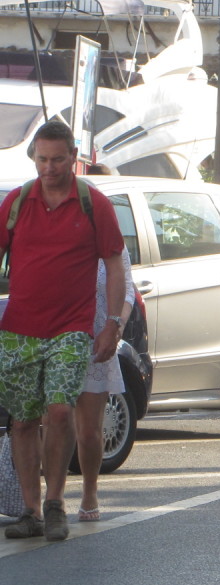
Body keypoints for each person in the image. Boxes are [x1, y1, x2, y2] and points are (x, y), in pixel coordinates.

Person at [0, 120, 126, 541]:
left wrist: (112, 324)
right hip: (19, 329)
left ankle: (55, 503)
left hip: (72, 327)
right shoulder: (17, 202)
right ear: (33, 157)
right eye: (42, 159)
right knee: (22, 421)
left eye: (57, 159)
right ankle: (30, 511)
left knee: (59, 410)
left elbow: (113, 263)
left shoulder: (94, 203)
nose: (49, 168)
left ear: (74, 157)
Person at [72, 246, 136, 522]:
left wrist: (116, 326)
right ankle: (51, 499)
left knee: (89, 431)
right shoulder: (61, 232)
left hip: (98, 339)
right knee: (55, 421)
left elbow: (128, 292)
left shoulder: (111, 242)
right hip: (59, 333)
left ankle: (90, 491)